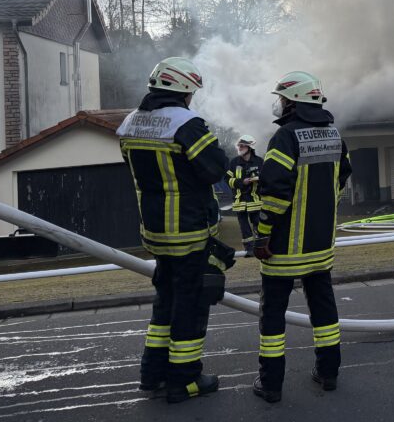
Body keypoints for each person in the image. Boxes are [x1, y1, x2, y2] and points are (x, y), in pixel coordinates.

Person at [116, 57, 228, 404]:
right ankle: (185, 380)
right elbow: (215, 168)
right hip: (188, 230)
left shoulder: (131, 123)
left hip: (155, 231)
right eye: (191, 92)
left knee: (164, 302)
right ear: (182, 90)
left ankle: (152, 373)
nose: (192, 99)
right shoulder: (186, 124)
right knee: (190, 306)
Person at [252, 71, 352, 404]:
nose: (279, 104)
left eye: (282, 99)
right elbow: (342, 177)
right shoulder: (335, 136)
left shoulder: (285, 138)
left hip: (282, 250)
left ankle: (270, 385)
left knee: (272, 317)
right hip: (320, 247)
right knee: (324, 311)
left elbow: (275, 196)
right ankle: (329, 374)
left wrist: (263, 236)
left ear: (293, 103)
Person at [227, 135, 263, 255]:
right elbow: (228, 180)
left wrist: (258, 179)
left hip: (255, 199)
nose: (239, 147)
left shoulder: (259, 161)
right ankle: (249, 248)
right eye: (239, 145)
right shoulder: (234, 162)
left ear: (249, 147)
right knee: (244, 226)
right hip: (240, 200)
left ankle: (260, 246)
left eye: (242, 145)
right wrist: (242, 182)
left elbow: (266, 178)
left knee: (258, 223)